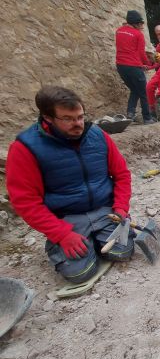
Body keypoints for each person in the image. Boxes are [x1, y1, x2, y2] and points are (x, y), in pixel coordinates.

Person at [5, 86, 134, 283]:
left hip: (105, 212)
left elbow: (122, 175)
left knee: (123, 252)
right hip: (68, 219)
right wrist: (61, 234)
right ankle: (74, 244)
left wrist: (121, 208)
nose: (78, 124)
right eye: (68, 119)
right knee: (80, 274)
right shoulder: (25, 148)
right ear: (48, 118)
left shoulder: (98, 136)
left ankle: (96, 240)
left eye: (81, 116)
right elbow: (26, 202)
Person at [115, 10, 156, 124]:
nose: (141, 26)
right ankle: (147, 118)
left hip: (120, 66)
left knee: (134, 89)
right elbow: (141, 54)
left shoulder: (119, 31)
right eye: (140, 24)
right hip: (133, 67)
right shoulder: (138, 35)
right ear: (136, 23)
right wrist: (149, 64)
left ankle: (130, 114)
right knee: (144, 92)